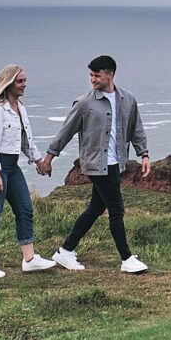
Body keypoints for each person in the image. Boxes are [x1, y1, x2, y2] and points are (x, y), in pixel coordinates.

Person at [40, 55, 152, 273]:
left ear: (110, 75)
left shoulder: (128, 99)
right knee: (117, 209)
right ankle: (127, 259)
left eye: (96, 75)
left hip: (116, 163)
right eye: (90, 75)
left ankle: (65, 251)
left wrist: (144, 154)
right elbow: (66, 131)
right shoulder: (84, 103)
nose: (92, 79)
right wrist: (49, 158)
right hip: (97, 164)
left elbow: (136, 129)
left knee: (96, 207)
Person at [0, 65, 57, 278]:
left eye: (25, 80)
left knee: (25, 209)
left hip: (12, 167)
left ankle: (29, 259)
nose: (24, 85)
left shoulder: (20, 107)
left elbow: (25, 141)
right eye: (20, 81)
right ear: (8, 84)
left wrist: (39, 161)